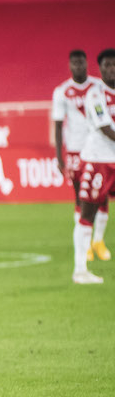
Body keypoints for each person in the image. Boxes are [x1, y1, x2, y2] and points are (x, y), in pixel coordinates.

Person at [53, 50, 106, 259]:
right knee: (80, 197)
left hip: (99, 149)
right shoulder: (62, 91)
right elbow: (58, 126)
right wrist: (60, 158)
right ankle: (85, 246)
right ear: (69, 65)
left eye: (81, 62)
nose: (78, 66)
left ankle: (98, 241)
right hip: (75, 150)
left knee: (101, 196)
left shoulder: (98, 87)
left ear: (87, 63)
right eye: (74, 63)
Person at [75, 48, 115, 284]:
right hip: (98, 160)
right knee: (87, 213)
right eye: (107, 65)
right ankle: (80, 270)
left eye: (114, 65)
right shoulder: (95, 94)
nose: (111, 69)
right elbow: (106, 128)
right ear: (100, 69)